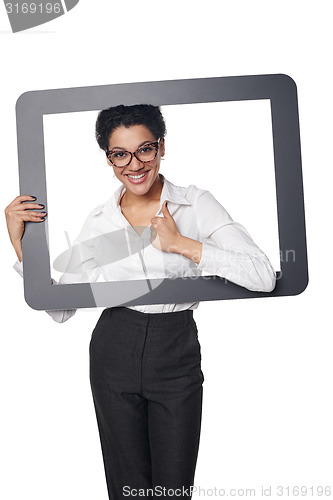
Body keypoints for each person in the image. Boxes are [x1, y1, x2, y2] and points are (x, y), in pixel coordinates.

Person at [5, 104, 276, 499]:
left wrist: (183, 244)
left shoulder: (195, 204)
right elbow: (60, 308)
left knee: (173, 489)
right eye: (120, 154)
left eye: (145, 149)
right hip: (114, 344)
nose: (134, 164)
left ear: (162, 146)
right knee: (127, 489)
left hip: (175, 347)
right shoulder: (100, 220)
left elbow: (263, 275)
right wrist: (19, 241)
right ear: (108, 158)